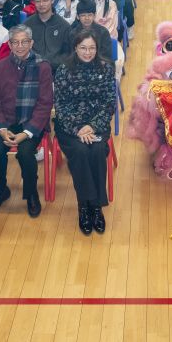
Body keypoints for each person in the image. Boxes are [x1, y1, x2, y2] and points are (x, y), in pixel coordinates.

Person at [0, 24, 53, 217]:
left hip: (32, 122)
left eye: (24, 42)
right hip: (5, 122)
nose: (20, 46)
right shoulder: (1, 66)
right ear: (10, 45)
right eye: (15, 42)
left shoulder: (42, 66)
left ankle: (31, 193)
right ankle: (2, 190)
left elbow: (45, 104)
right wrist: (1, 128)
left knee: (25, 153)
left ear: (31, 43)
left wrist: (27, 132)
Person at [53, 31, 116, 235]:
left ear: (97, 49)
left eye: (92, 48)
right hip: (70, 126)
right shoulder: (64, 70)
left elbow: (109, 103)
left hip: (97, 124)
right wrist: (78, 128)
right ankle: (85, 205)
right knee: (80, 151)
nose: (88, 52)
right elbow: (60, 105)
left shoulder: (106, 68)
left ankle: (95, 207)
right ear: (75, 48)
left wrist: (93, 126)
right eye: (83, 48)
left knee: (97, 150)